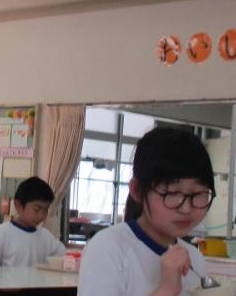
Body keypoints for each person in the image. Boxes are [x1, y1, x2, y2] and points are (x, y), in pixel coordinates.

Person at [78, 126, 215, 296]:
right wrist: (166, 290)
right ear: (137, 191)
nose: (186, 208)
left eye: (198, 193)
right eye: (172, 193)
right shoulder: (107, 248)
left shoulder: (194, 258)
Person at [0, 175, 65, 267]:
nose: (42, 215)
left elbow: (66, 256)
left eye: (46, 209)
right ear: (18, 206)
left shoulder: (45, 236)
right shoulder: (4, 232)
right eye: (37, 209)